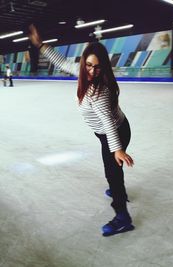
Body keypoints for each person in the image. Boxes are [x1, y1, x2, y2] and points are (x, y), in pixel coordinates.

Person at [29, 24, 135, 236]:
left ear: (104, 66)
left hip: (114, 132)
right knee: (113, 170)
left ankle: (122, 217)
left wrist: (117, 149)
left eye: (97, 67)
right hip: (111, 131)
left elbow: (107, 121)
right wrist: (40, 45)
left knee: (112, 171)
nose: (92, 72)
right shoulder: (84, 74)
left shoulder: (99, 91)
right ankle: (117, 189)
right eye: (88, 65)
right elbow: (62, 62)